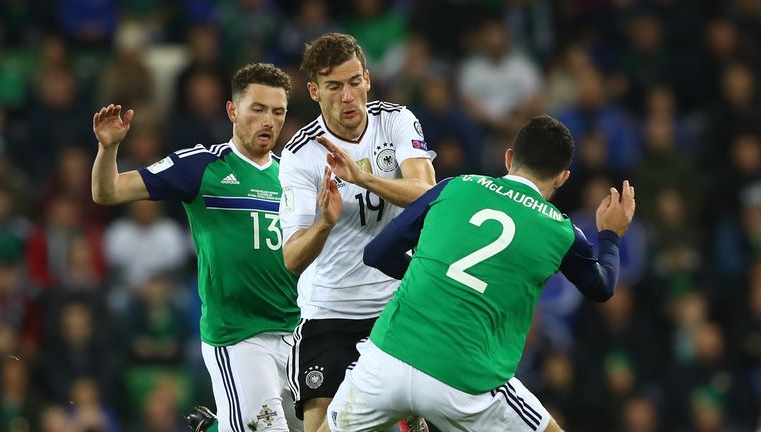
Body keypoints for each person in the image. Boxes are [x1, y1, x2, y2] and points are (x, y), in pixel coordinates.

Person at [326, 115, 637, 432]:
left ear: (509, 157)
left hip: (388, 358)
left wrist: (432, 278)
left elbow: (376, 253)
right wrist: (611, 235)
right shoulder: (563, 231)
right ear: (562, 177)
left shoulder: (455, 186)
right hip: (464, 381)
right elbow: (603, 288)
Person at [90, 63, 303, 432]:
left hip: (298, 333)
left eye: (278, 111)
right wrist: (108, 149)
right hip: (239, 336)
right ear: (232, 111)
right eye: (258, 109)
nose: (268, 121)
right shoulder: (202, 165)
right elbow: (107, 191)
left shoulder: (295, 174)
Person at [278, 33, 436, 432]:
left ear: (367, 79)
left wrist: (362, 177)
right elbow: (293, 258)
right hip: (329, 314)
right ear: (314, 91)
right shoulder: (301, 155)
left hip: (395, 308)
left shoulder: (396, 120)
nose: (347, 96)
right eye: (334, 86)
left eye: (354, 82)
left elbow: (427, 192)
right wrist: (325, 224)